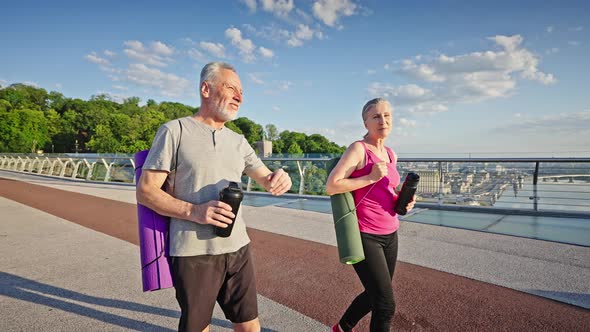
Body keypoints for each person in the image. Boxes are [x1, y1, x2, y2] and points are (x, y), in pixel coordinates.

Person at [136, 62, 292, 332]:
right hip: (193, 253)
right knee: (199, 327)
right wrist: (194, 211)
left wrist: (279, 178)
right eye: (231, 87)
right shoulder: (175, 131)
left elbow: (266, 179)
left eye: (241, 92)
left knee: (249, 325)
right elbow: (146, 191)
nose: (239, 97)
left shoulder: (238, 141)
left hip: (238, 247)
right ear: (205, 89)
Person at [325, 98, 416, 332]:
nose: (382, 120)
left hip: (391, 233)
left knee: (373, 293)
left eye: (387, 116)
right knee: (385, 305)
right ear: (365, 122)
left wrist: (403, 201)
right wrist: (369, 177)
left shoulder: (390, 154)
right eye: (375, 116)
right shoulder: (359, 149)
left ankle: (342, 328)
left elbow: (386, 193)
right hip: (366, 235)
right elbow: (332, 185)